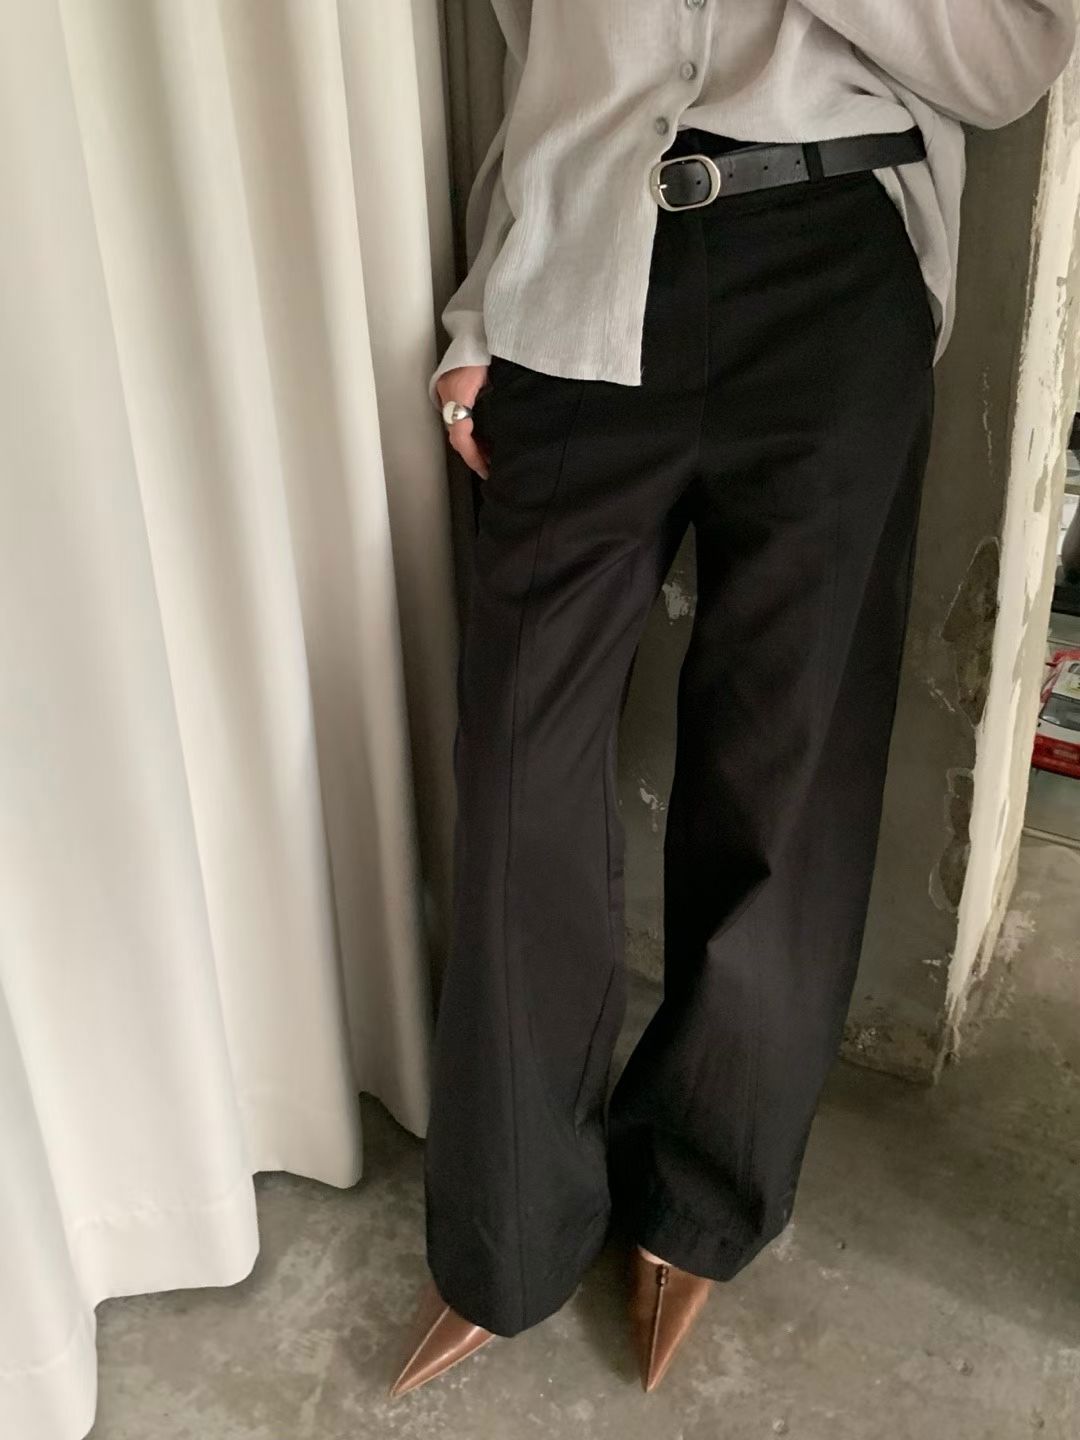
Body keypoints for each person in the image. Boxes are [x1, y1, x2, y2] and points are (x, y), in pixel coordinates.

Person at [391, 0, 1076, 1399]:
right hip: (580, 281)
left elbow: (1012, 68)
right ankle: (508, 1234)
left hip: (832, 273)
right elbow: (538, 68)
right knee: (519, 768)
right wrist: (480, 306)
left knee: (786, 771)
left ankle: (700, 1198)